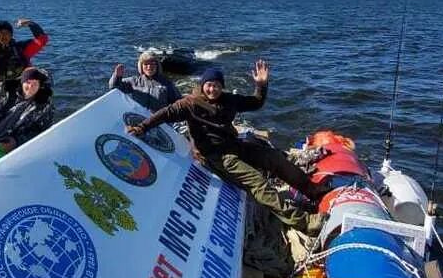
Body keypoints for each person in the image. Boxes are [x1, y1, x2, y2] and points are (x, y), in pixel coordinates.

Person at [126, 61, 326, 234]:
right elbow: (165, 114)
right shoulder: (190, 104)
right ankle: (306, 222)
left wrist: (261, 85)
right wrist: (142, 127)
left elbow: (256, 103)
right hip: (215, 156)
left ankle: (315, 191)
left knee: (275, 159)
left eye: (217, 86)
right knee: (258, 183)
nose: (212, 90)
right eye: (209, 85)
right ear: (202, 85)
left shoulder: (228, 99)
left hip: (234, 145)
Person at [109, 50, 182, 112]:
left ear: (157, 65)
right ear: (141, 66)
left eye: (152, 63)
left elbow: (178, 103)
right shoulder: (134, 81)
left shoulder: (167, 83)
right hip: (140, 118)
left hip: (160, 121)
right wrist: (117, 76)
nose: (149, 67)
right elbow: (114, 87)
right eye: (146, 64)